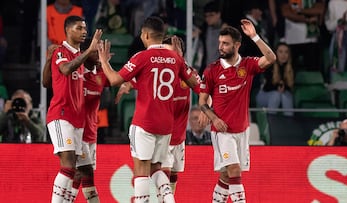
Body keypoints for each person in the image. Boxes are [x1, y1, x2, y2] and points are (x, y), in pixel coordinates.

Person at [97, 16, 198, 202]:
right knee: (156, 168)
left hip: (145, 122)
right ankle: (169, 199)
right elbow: (194, 83)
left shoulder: (142, 57)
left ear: (145, 35)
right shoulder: (176, 58)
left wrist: (104, 61)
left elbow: (114, 80)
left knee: (142, 169)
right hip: (166, 124)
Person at [198, 21, 276, 203]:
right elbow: (202, 102)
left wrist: (254, 36)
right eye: (220, 43)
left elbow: (271, 58)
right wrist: (214, 119)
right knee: (234, 170)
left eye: (225, 43)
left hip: (242, 130)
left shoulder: (248, 65)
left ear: (237, 45)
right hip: (222, 131)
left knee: (226, 176)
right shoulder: (212, 70)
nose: (221, 47)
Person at [45, 15, 102, 203]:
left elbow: (48, 82)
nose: (84, 31)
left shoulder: (79, 57)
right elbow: (66, 69)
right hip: (62, 115)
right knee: (68, 166)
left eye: (85, 28)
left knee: (79, 170)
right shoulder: (61, 52)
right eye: (79, 28)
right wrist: (89, 51)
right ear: (68, 30)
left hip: (78, 120)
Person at [281, 0, 325, 70]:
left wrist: (300, 11)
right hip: (292, 40)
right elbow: (286, 12)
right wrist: (308, 19)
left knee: (312, 70)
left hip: (311, 40)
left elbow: (320, 9)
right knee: (290, 70)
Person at [256, 42, 294, 116]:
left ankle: (289, 122)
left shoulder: (291, 68)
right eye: (280, 52)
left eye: (286, 52)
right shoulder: (269, 65)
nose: (283, 55)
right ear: (276, 53)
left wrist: (283, 88)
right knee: (276, 95)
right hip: (264, 95)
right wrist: (278, 87)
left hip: (281, 95)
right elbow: (266, 87)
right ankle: (271, 122)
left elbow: (290, 87)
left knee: (286, 95)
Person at [325, 0, 347, 74]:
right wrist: (340, 21)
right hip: (338, 36)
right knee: (337, 67)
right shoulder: (333, 3)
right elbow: (329, 25)